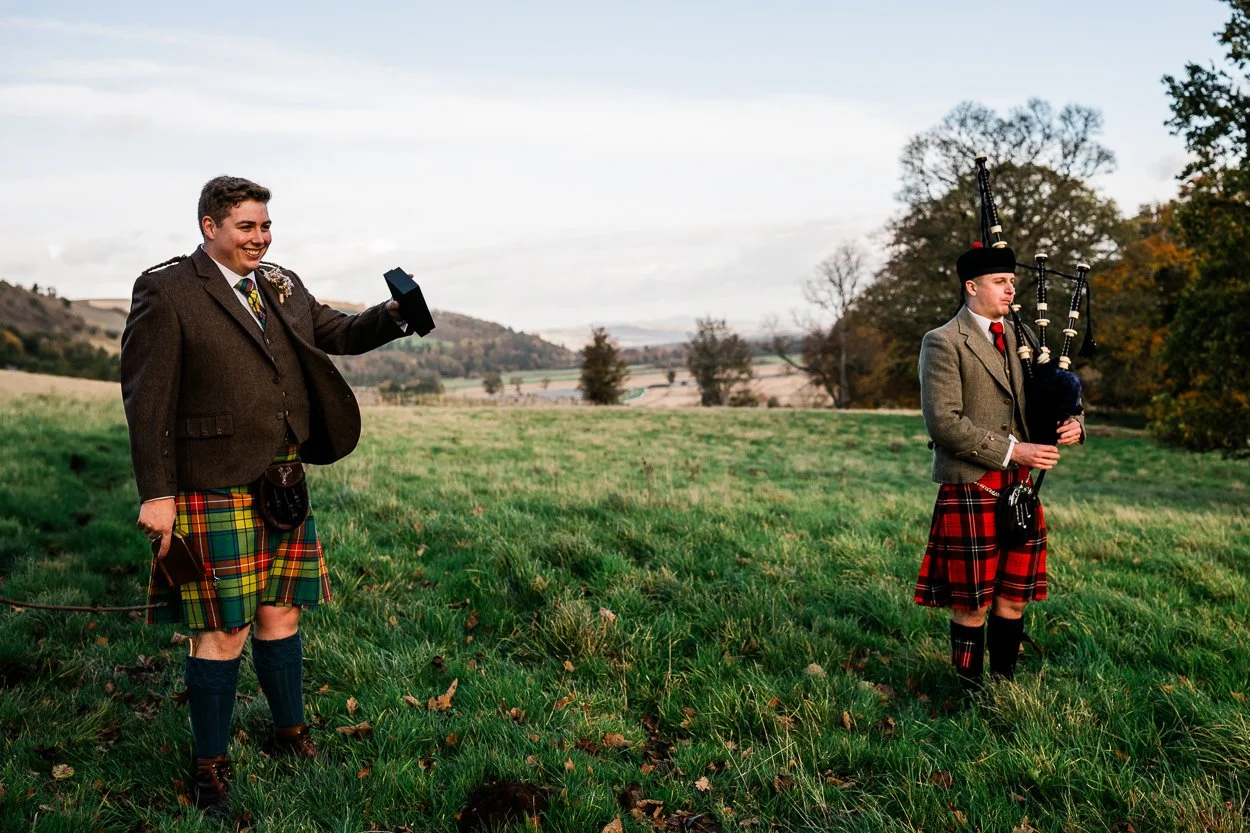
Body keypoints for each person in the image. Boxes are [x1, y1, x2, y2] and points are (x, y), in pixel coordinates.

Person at [120, 175, 412, 816]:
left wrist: (394, 316)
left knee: (282, 612)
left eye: (266, 225)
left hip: (283, 476)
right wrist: (157, 493)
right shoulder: (168, 290)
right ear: (209, 226)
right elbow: (147, 402)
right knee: (224, 628)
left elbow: (335, 333)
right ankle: (209, 766)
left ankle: (290, 734)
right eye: (247, 226)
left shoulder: (279, 282)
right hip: (212, 479)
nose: (261, 237)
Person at [913, 243, 1083, 697]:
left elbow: (1054, 392)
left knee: (1013, 595)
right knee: (971, 603)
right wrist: (1015, 451)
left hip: (1019, 490)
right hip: (973, 485)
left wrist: (1073, 422)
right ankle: (967, 693)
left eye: (1012, 281)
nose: (1011, 288)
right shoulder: (944, 341)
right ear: (972, 287)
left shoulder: (1022, 335)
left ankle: (1003, 688)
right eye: (1000, 282)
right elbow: (944, 423)